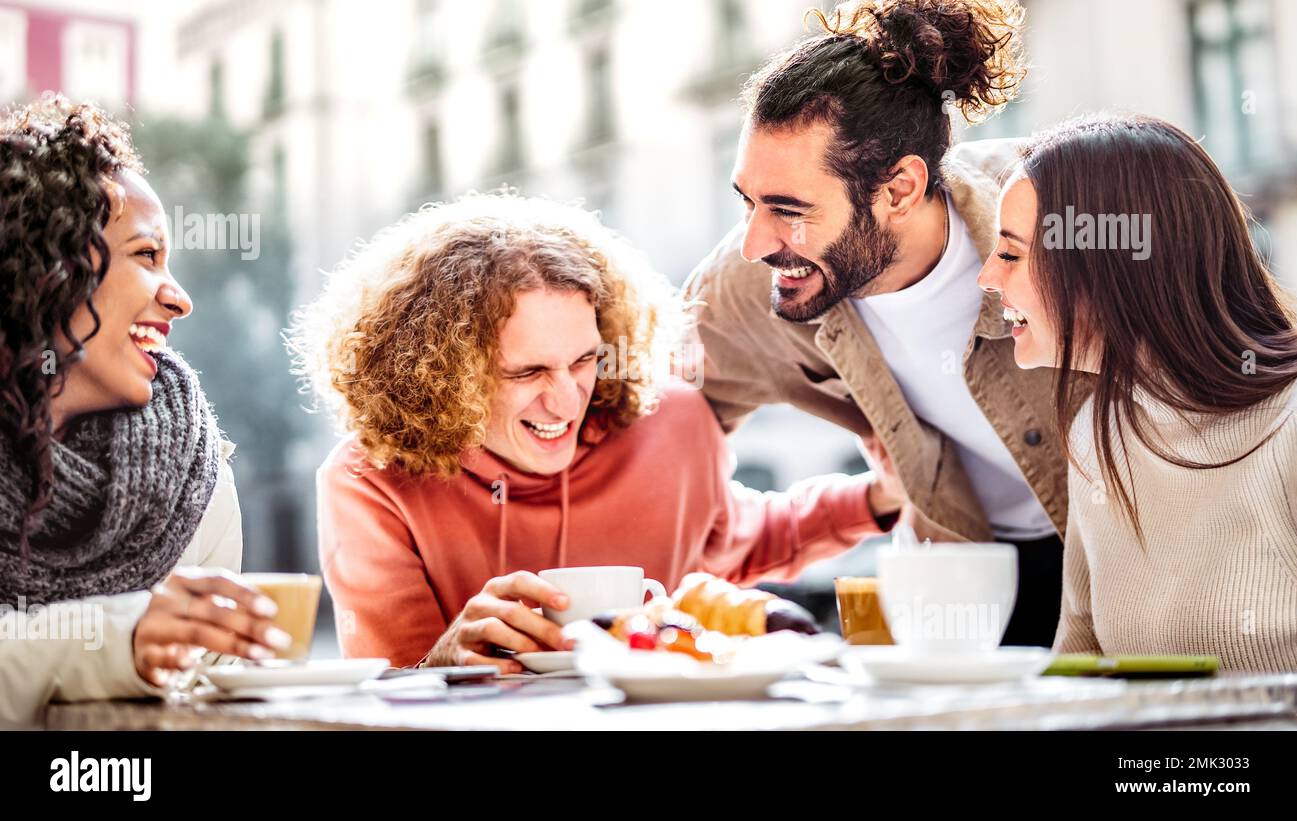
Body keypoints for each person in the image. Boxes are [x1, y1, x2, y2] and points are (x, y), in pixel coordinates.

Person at [292, 193, 889, 671]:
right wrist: (443, 662)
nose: (568, 398)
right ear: (442, 375)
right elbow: (383, 691)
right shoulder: (369, 482)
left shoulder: (673, 423)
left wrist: (881, 496)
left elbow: (744, 538)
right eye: (526, 371)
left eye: (583, 360)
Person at [683, 0, 1079, 645]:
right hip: (960, 584)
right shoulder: (746, 289)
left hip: (1129, 555)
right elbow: (652, 422)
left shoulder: (1058, 211)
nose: (755, 242)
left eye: (788, 209)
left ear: (899, 189)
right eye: (748, 201)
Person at [0, 95, 285, 728]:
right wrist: (113, 640)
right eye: (147, 256)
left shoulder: (194, 478)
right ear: (48, 270)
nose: (179, 300)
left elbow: (212, 701)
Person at [977, 113, 1297, 671]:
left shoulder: (1291, 425)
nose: (987, 276)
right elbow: (1078, 665)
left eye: (1010, 253)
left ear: (1107, 268)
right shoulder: (1095, 433)